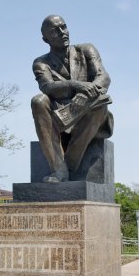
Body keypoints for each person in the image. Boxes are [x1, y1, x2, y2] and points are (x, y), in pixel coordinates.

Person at [31, 15, 113, 183]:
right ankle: (58, 168)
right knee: (38, 101)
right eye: (55, 31)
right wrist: (77, 85)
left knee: (100, 107)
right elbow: (47, 87)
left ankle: (66, 167)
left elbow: (103, 77)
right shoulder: (41, 63)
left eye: (64, 27)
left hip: (90, 115)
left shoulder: (86, 49)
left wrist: (85, 95)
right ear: (45, 39)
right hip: (60, 116)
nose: (62, 33)